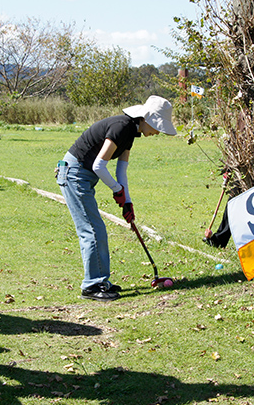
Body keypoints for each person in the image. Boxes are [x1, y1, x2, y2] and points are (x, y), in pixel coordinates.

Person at [57, 95, 177, 301]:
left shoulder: (131, 132)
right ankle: (92, 286)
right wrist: (116, 190)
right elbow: (98, 165)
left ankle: (100, 281)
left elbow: (122, 170)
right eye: (158, 127)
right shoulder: (121, 127)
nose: (157, 132)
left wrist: (127, 201)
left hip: (82, 177)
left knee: (96, 229)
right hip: (74, 175)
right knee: (92, 230)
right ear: (146, 118)